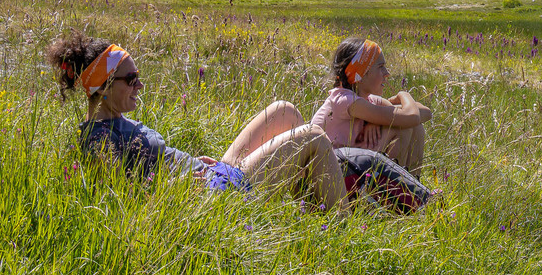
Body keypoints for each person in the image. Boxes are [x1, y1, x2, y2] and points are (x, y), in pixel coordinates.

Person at [48, 32, 347, 209]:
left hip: (211, 175)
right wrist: (174, 188)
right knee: (313, 137)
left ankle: (309, 211)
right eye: (131, 79)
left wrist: (189, 163)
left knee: (284, 111)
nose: (140, 85)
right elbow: (120, 203)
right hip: (214, 195)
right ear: (103, 87)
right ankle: (339, 227)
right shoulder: (98, 139)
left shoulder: (115, 121)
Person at [311, 37, 434, 173]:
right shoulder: (345, 100)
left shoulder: (369, 101)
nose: (387, 73)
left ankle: (411, 184)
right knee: (401, 128)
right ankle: (392, 184)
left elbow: (426, 113)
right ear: (361, 72)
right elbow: (412, 116)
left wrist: (376, 121)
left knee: (415, 127)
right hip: (331, 174)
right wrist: (404, 95)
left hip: (352, 166)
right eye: (381, 67)